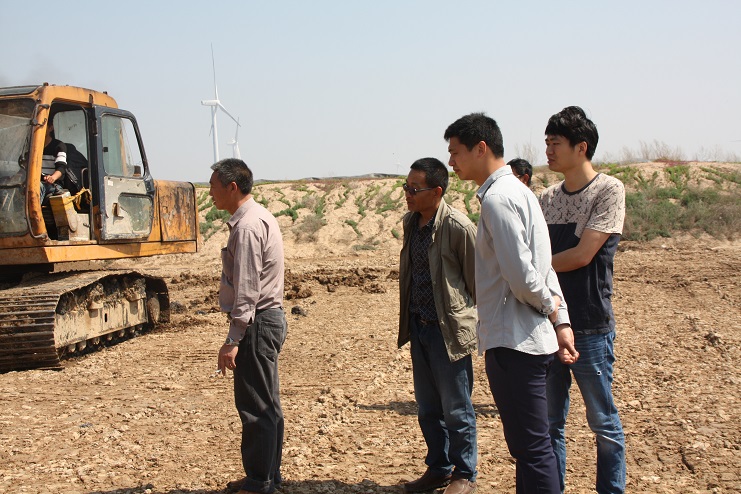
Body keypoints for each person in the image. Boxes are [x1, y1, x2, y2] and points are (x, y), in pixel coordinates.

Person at [444, 112, 578, 494]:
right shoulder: (520, 193)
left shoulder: (499, 199)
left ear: (480, 148)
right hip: (529, 340)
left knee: (532, 449)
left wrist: (553, 310)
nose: (451, 161)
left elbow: (523, 276)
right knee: (532, 448)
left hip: (515, 344)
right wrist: (561, 321)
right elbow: (543, 267)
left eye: (455, 152)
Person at [540, 106, 626, 494]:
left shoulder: (608, 190)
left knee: (603, 422)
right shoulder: (546, 198)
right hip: (549, 323)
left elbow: (582, 255)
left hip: (589, 324)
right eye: (547, 142)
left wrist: (533, 270)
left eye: (555, 143)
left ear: (581, 147)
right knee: (549, 424)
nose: (548, 150)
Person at [398, 158, 478, 494]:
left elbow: (477, 282)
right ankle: (439, 468)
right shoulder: (410, 223)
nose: (407, 193)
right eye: (406, 186)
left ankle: (464, 474)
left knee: (457, 408)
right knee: (429, 408)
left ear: (437, 191)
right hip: (420, 328)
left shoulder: (458, 227)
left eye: (414, 188)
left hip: (448, 332)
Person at [211, 158, 287, 494]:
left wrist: (233, 339)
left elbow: (246, 290)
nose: (210, 193)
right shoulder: (258, 216)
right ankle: (267, 476)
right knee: (267, 404)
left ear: (232, 187)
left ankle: (259, 483)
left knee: (256, 407)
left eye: (213, 186)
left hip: (257, 322)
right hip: (267, 318)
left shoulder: (246, 227)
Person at [40, 121, 67, 204]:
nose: (39, 129)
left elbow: (61, 168)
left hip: (52, 185)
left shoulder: (59, 146)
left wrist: (52, 178)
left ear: (50, 128)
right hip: (33, 181)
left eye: (42, 125)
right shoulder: (30, 146)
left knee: (36, 187)